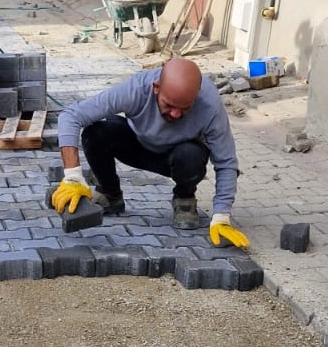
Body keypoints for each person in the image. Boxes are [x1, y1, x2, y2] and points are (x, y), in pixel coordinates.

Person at [52, 57, 239, 231]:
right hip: (137, 146)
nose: (175, 114)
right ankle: (110, 193)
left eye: (184, 109)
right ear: (156, 88)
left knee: (191, 155)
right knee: (96, 133)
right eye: (169, 105)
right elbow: (71, 116)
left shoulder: (210, 105)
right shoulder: (136, 89)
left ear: (196, 96)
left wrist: (221, 215)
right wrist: (73, 176)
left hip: (178, 158)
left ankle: (184, 198)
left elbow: (226, 162)